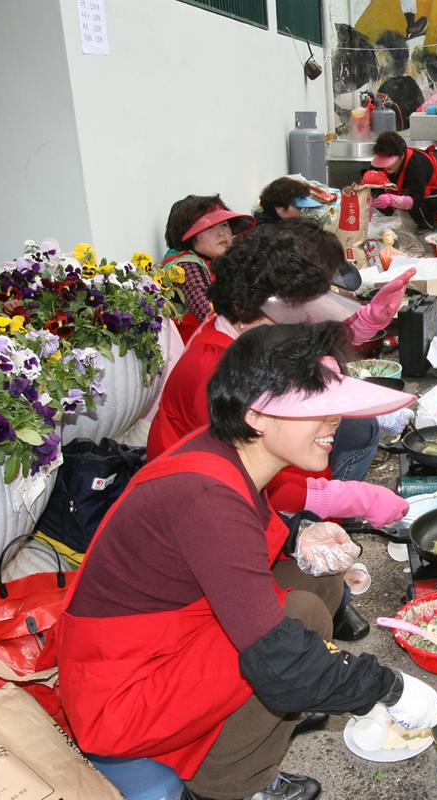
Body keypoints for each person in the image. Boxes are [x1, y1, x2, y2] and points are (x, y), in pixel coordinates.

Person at [58, 322, 437, 800]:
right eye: (317, 410)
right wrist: (387, 688)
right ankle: (230, 783)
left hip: (170, 636)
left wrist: (299, 536)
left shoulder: (229, 451)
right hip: (124, 692)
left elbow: (226, 553)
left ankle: (261, 724)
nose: (335, 423)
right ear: (258, 415)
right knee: (297, 621)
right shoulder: (206, 498)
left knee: (316, 580)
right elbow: (277, 655)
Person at [148, 221, 414, 640]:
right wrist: (352, 497)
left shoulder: (254, 333)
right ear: (272, 307)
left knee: (358, 430)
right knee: (305, 570)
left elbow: (320, 342)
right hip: (217, 503)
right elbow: (256, 480)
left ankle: (324, 548)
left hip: (255, 470)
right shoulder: (215, 376)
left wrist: (370, 319)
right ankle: (311, 571)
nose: (311, 322)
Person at [162, 195, 254, 343]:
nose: (221, 233)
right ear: (189, 237)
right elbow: (211, 317)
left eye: (224, 224)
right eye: (210, 226)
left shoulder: (215, 261)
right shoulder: (187, 267)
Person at [368, 131, 437, 231]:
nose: (386, 166)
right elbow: (369, 187)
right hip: (408, 191)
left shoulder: (416, 165)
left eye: (389, 160)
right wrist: (368, 200)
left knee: (419, 204)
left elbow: (416, 199)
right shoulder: (379, 163)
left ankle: (428, 228)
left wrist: (392, 200)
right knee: (380, 197)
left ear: (401, 155)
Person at [255, 177, 325, 226]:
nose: (304, 214)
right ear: (280, 208)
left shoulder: (279, 228)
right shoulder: (272, 238)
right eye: (300, 208)